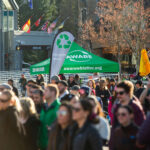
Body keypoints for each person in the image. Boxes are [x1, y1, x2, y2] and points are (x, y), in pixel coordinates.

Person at [38, 84, 61, 150]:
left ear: (53, 92)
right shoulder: (44, 107)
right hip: (42, 144)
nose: (43, 93)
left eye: (46, 91)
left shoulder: (60, 107)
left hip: (53, 145)